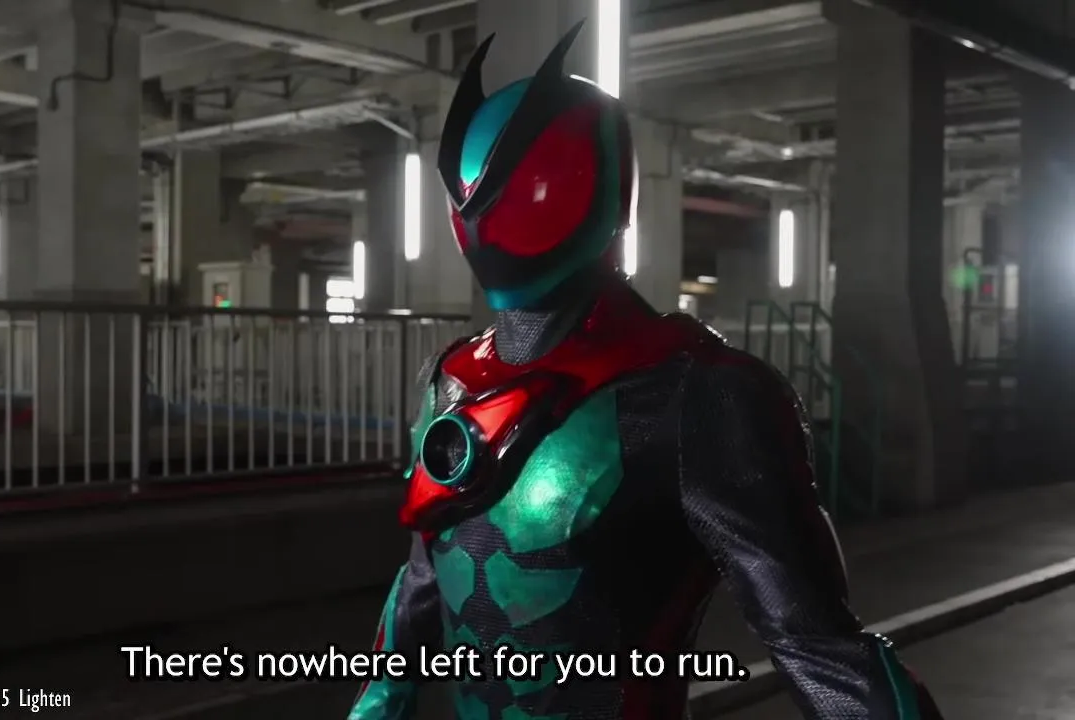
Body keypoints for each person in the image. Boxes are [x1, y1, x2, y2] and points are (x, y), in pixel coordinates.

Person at [348, 21, 942, 720]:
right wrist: (377, 703)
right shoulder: (450, 380)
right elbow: (426, 577)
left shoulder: (696, 393)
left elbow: (818, 647)